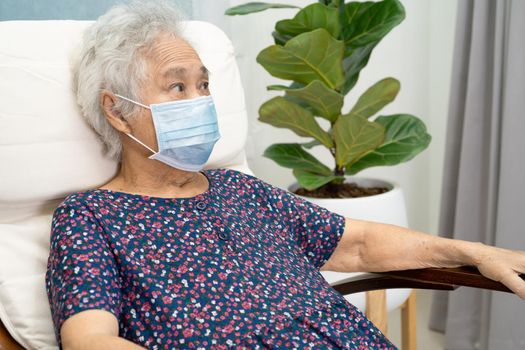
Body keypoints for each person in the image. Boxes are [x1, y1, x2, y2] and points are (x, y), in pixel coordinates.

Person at [45, 1, 525, 349]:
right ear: (118, 111)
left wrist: (473, 251)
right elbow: (89, 339)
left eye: (204, 84)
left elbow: (357, 244)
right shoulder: (91, 217)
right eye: (177, 86)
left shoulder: (239, 190)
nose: (201, 101)